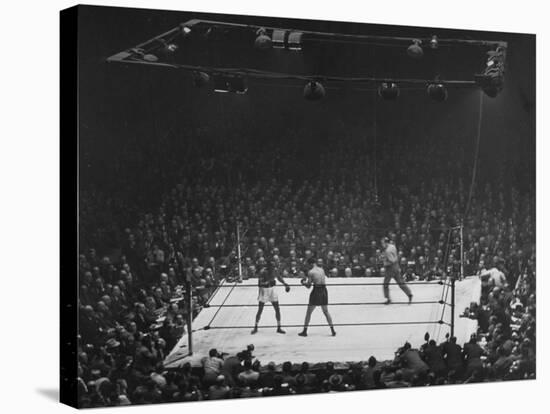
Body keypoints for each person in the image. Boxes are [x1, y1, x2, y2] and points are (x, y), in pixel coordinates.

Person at [298, 257, 336, 337]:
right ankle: (332, 330)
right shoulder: (322, 270)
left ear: (310, 264)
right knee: (325, 311)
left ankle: (305, 331)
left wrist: (303, 282)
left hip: (317, 291)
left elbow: (308, 286)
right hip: (324, 290)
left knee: (309, 312)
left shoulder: (311, 272)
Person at [251, 261, 290, 334]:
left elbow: (278, 277)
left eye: (274, 266)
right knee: (260, 310)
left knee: (277, 309)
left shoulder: (274, 270)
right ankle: (255, 327)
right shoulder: (262, 272)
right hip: (264, 291)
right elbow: (260, 283)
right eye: (272, 267)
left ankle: (279, 327)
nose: (273, 268)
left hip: (272, 290)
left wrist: (285, 284)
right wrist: (268, 281)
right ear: (268, 267)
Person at [380, 237, 413, 305]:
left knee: (385, 284)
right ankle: (409, 294)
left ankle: (388, 299)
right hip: (396, 266)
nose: (382, 244)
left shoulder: (387, 251)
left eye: (383, 243)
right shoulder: (392, 246)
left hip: (390, 268)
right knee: (400, 282)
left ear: (386, 242)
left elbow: (391, 260)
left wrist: (384, 259)